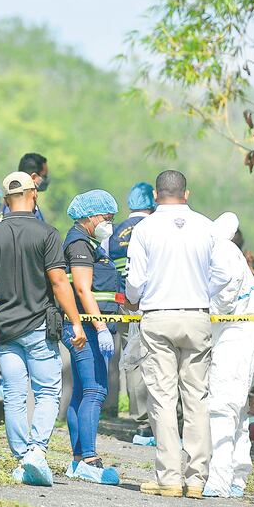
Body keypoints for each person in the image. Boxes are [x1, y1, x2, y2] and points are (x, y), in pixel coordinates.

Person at [0, 171, 85, 487]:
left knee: (13, 394)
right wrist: (76, 321)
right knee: (47, 391)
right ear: (33, 194)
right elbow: (58, 281)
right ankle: (37, 451)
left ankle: (21, 459)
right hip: (39, 327)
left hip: (5, 330)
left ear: (6, 200)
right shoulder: (47, 234)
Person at [125, 170, 216, 499]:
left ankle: (169, 477)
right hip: (197, 315)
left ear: (154, 194)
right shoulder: (207, 227)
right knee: (197, 398)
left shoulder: (145, 228)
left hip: (158, 316)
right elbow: (219, 276)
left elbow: (135, 280)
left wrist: (134, 300)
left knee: (162, 398)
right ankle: (196, 479)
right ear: (186, 194)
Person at [61, 190, 124, 485]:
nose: (109, 223)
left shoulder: (91, 243)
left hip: (90, 326)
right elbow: (84, 290)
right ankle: (89, 458)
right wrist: (99, 328)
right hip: (85, 327)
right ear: (88, 216)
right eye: (106, 218)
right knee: (96, 391)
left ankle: (78, 460)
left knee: (82, 391)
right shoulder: (79, 244)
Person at [203, 212, 254, 498]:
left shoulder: (221, 252)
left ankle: (220, 478)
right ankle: (237, 474)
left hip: (236, 333)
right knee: (236, 406)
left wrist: (201, 312)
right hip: (234, 332)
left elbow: (223, 299)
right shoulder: (223, 250)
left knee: (224, 405)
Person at [109, 182, 157, 445]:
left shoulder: (113, 232)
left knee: (134, 362)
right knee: (162, 359)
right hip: (155, 304)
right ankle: (169, 421)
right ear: (153, 203)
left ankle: (142, 425)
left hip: (124, 306)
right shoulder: (155, 228)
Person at [18, 152, 50, 222]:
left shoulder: (32, 204)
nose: (47, 180)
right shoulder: (20, 207)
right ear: (34, 177)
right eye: (44, 176)